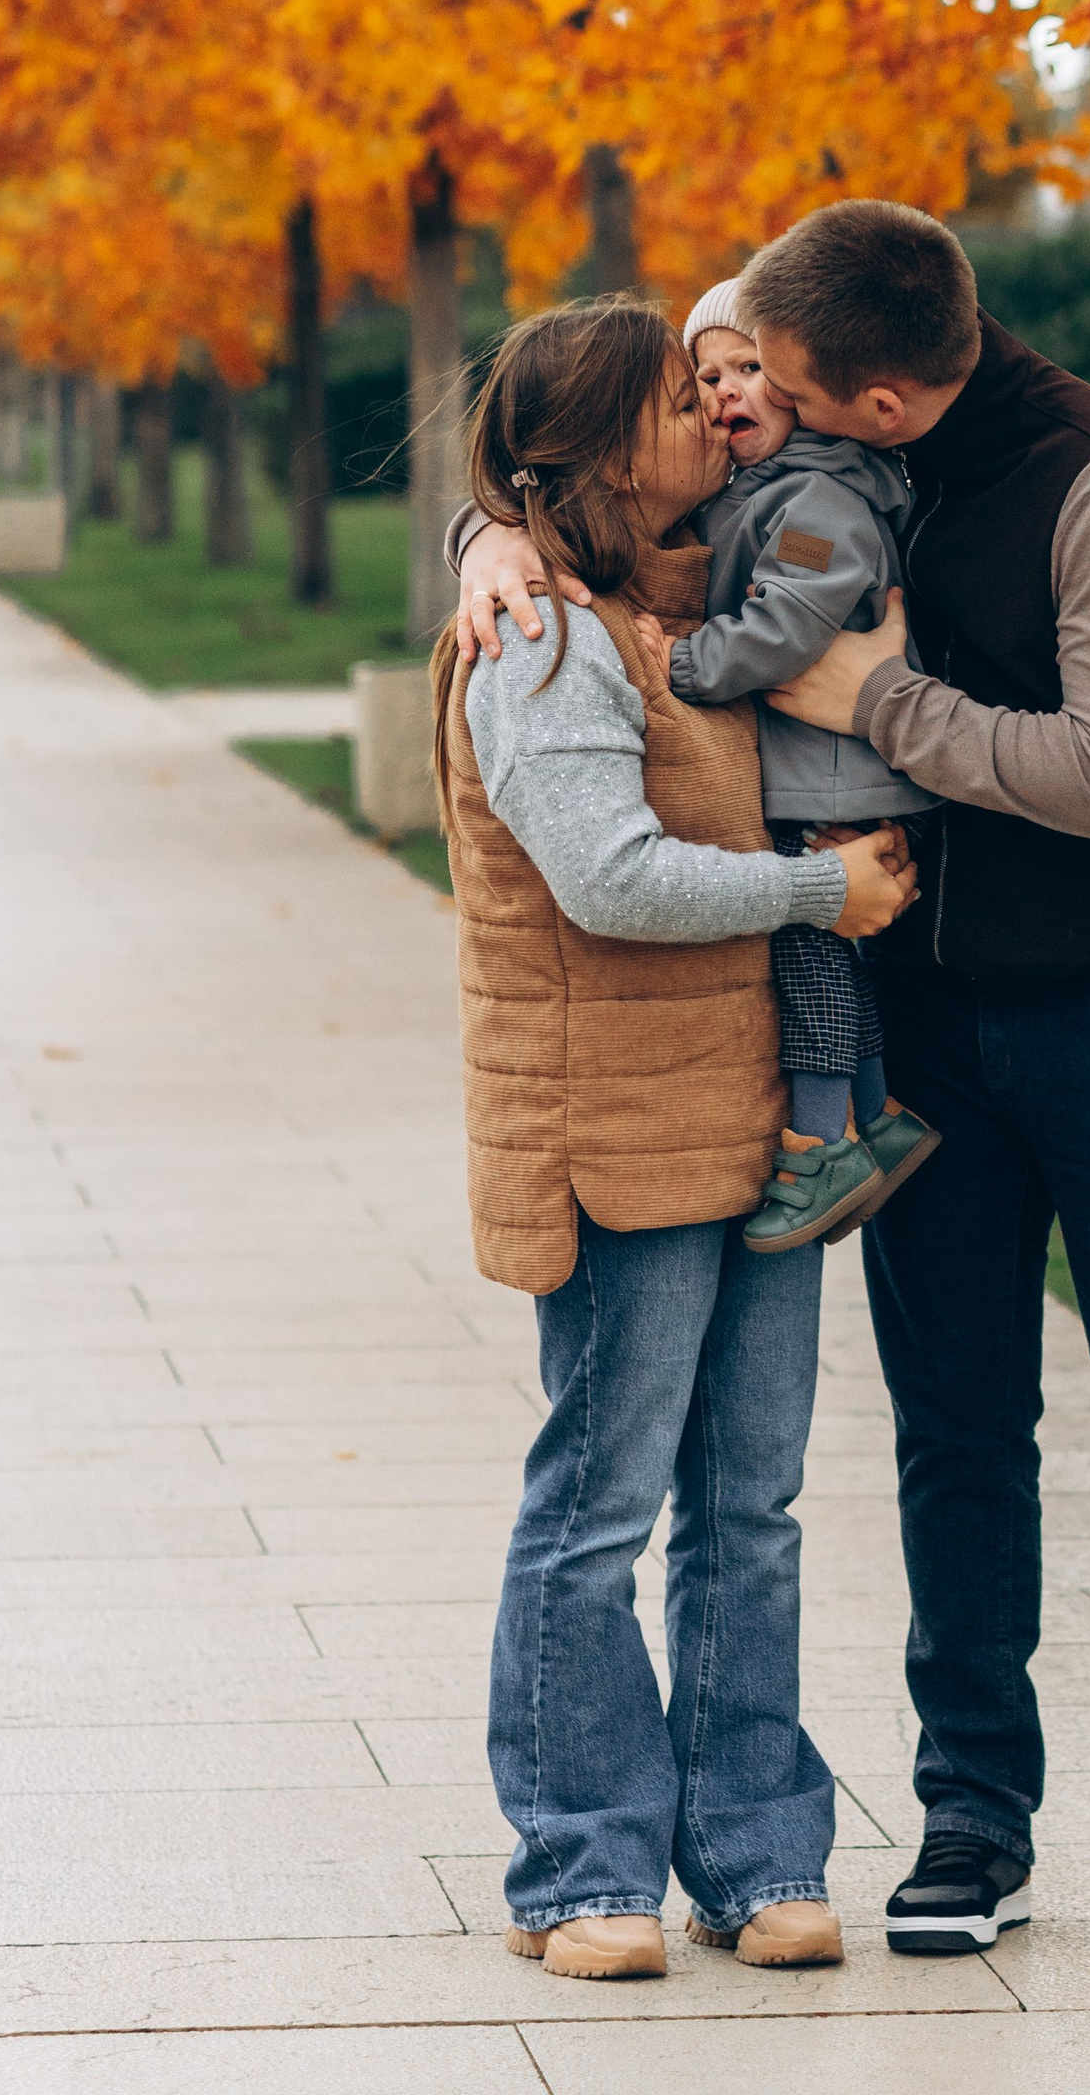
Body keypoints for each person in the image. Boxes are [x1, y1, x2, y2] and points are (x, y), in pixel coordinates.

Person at [456, 207, 1090, 1986]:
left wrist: (878, 692)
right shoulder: (806, 428)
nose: (739, 414)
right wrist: (487, 534)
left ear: (875, 400)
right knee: (958, 1436)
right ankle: (972, 1821)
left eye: (770, 390)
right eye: (731, 390)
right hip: (918, 1018)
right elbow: (577, 474)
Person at [433, 294, 917, 1982]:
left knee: (751, 1503)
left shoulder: (670, 595)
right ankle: (582, 1871)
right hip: (619, 1132)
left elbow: (818, 498)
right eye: (671, 398)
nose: (713, 414)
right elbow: (613, 879)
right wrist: (819, 892)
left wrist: (478, 527)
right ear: (592, 449)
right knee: (601, 1504)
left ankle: (759, 1853)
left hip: (746, 1128)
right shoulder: (544, 643)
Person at [671, 281, 941, 1253]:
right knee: (827, 950)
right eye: (706, 374)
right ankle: (875, 1119)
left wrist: (681, 667)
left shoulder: (820, 499)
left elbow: (788, 619)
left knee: (808, 951)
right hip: (818, 772)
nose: (724, 392)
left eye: (749, 369)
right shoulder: (764, 487)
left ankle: (819, 1143)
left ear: (798, 379)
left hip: (836, 776)